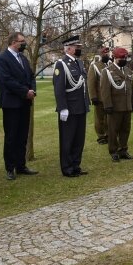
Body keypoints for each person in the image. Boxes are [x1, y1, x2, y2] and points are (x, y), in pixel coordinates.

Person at [0, 32, 38, 180]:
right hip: (12, 103)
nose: (24, 44)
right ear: (14, 42)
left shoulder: (23, 59)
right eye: (22, 41)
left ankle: (21, 165)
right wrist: (25, 91)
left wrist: (32, 90)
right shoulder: (2, 59)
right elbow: (6, 80)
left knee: (22, 135)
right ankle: (10, 167)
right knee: (11, 136)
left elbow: (31, 76)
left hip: (25, 102)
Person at [53, 36, 89, 177]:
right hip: (69, 109)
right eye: (76, 46)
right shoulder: (61, 64)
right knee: (68, 140)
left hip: (81, 107)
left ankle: (76, 165)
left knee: (79, 140)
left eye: (79, 46)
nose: (79, 49)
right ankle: (67, 168)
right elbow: (59, 88)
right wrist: (62, 107)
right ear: (68, 48)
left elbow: (83, 85)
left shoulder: (79, 63)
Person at [101, 47, 133, 161]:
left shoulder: (127, 70)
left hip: (126, 105)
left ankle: (123, 149)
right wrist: (107, 105)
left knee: (125, 129)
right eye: (121, 58)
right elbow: (105, 90)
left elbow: (131, 88)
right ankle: (113, 151)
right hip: (115, 107)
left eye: (125, 57)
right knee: (113, 130)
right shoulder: (108, 71)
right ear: (114, 58)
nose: (124, 59)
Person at [86, 44, 111, 145]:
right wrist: (93, 97)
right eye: (105, 53)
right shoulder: (95, 66)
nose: (107, 54)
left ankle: (109, 134)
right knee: (100, 118)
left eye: (108, 53)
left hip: (110, 97)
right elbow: (91, 83)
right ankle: (101, 136)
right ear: (101, 54)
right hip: (99, 97)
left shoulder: (111, 65)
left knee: (109, 118)